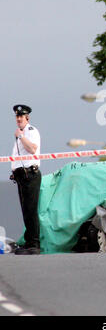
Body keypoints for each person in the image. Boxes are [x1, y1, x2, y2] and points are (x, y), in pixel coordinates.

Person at [10, 105, 41, 255]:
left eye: (21, 117)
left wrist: (21, 136)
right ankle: (29, 242)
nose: (18, 119)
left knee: (31, 209)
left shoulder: (30, 131)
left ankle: (34, 244)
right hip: (22, 176)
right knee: (26, 210)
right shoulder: (21, 134)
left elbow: (33, 149)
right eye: (17, 117)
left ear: (27, 118)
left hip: (30, 175)